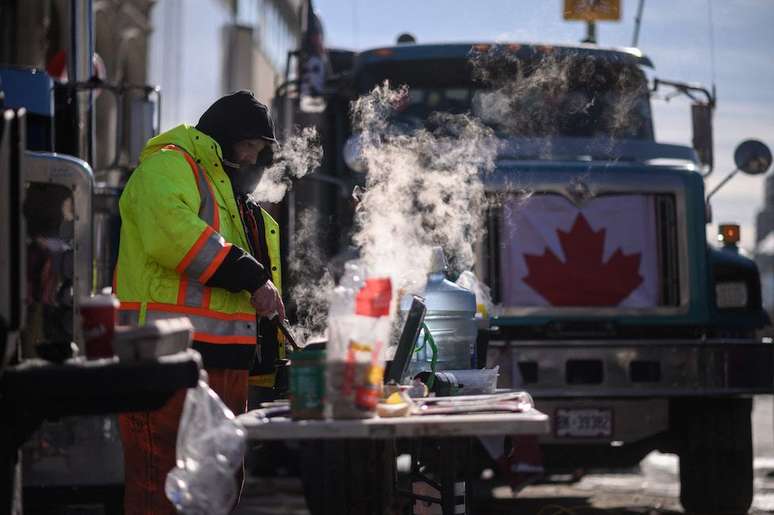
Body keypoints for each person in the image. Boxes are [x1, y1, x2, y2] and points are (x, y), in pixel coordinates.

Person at [114, 90, 286, 514]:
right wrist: (251, 274)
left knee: (218, 486)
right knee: (161, 480)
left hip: (222, 363)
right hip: (164, 360)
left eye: (260, 150)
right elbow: (171, 233)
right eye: (249, 146)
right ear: (224, 137)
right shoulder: (169, 165)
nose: (253, 159)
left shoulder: (229, 193)